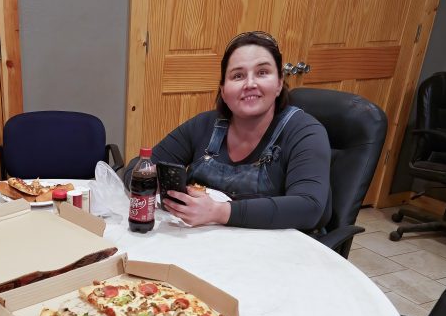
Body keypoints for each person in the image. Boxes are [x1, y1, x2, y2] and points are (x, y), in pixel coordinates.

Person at [133, 31, 331, 230]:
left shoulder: (305, 132)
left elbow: (309, 207)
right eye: (238, 76)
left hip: (276, 252)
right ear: (223, 91)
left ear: (279, 83)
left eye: (262, 73)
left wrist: (218, 212)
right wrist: (156, 185)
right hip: (207, 245)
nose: (250, 84)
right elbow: (137, 168)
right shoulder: (204, 125)